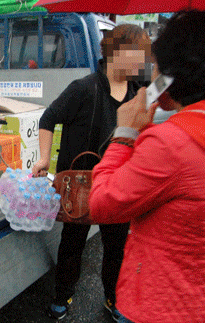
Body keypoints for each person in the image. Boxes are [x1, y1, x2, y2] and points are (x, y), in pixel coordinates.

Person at [89, 11, 205, 323]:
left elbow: (103, 202)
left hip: (161, 304)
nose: (148, 70)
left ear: (173, 72)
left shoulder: (172, 143)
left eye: (153, 62)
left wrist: (125, 134)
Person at [31, 24, 151, 321]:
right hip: (80, 187)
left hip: (119, 185)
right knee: (72, 244)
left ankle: (113, 298)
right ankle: (62, 296)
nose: (142, 61)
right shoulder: (83, 88)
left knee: (117, 248)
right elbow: (49, 117)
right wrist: (44, 158)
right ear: (116, 52)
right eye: (138, 53)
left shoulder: (139, 96)